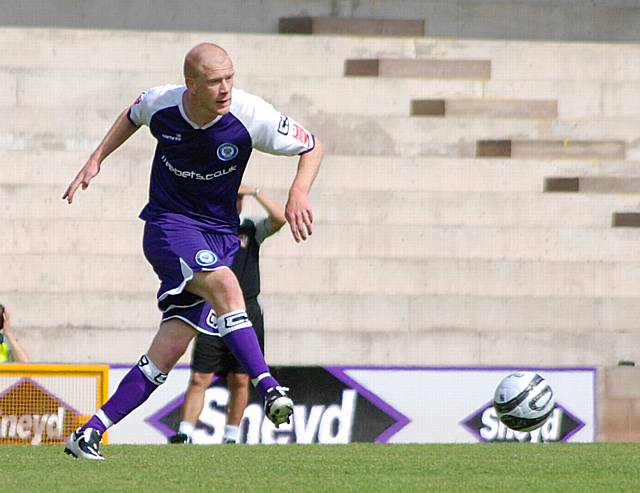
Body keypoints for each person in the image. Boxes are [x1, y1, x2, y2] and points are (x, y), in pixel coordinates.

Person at [61, 42, 323, 460]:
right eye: (215, 81)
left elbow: (312, 145)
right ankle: (270, 387)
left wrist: (299, 191)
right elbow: (132, 115)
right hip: (170, 226)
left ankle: (89, 432)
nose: (225, 89)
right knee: (225, 285)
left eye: (230, 79)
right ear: (192, 85)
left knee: (169, 349)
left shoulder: (250, 114)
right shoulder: (162, 103)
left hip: (219, 234)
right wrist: (96, 159)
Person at [169, 184, 286, 445]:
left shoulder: (250, 228)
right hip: (212, 309)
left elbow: (281, 219)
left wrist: (256, 191)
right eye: (233, 196)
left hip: (247, 310)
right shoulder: (208, 227)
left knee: (241, 377)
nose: (237, 202)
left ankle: (231, 437)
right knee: (200, 376)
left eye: (239, 198)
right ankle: (185, 433)